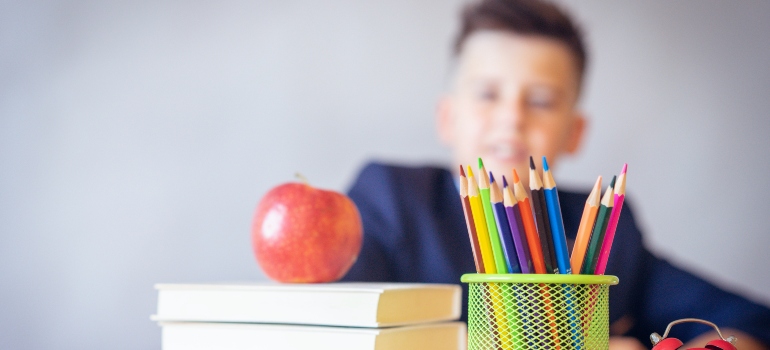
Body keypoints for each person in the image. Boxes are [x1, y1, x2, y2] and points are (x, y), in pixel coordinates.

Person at [341, 0, 770, 348]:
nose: (512, 117)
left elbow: (747, 319)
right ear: (447, 118)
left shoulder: (605, 227)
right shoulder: (391, 197)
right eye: (488, 94)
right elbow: (333, 323)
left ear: (574, 133)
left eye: (542, 101)